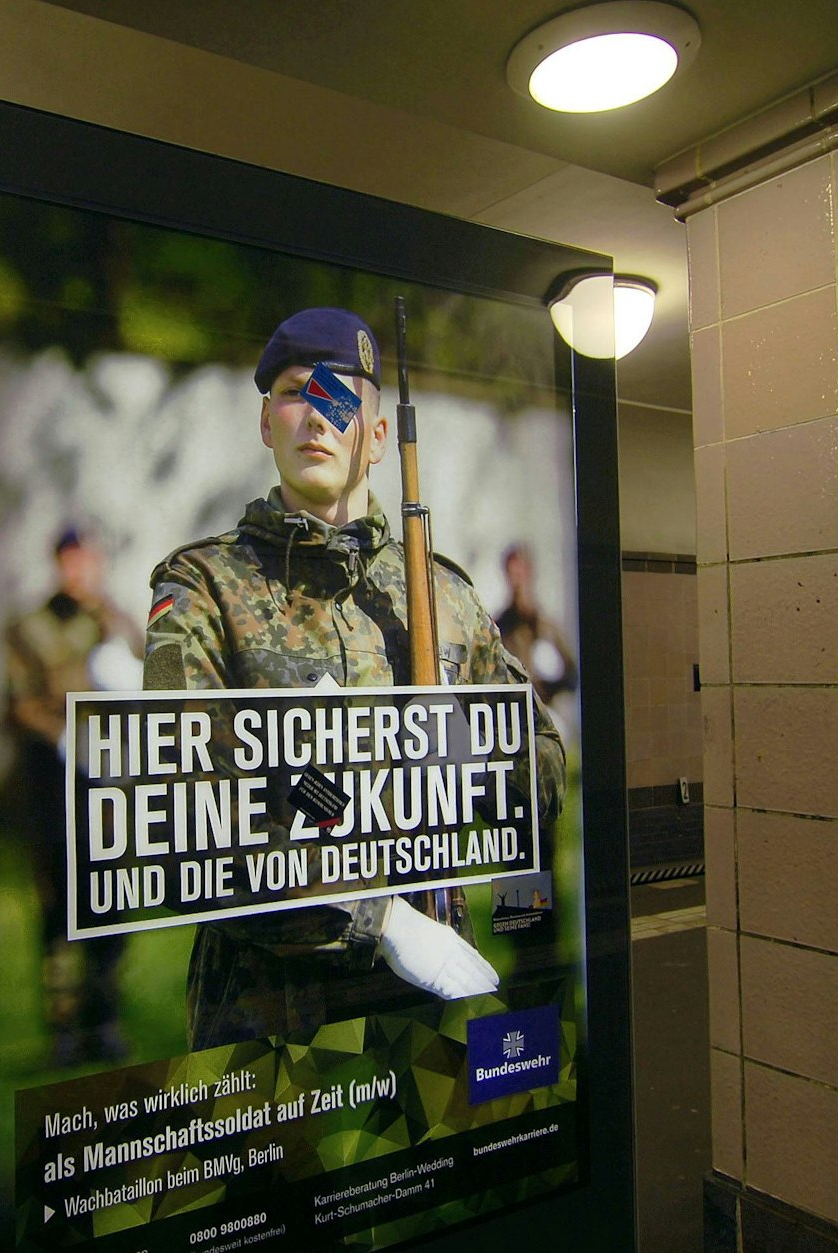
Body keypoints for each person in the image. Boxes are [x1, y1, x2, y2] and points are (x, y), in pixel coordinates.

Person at [143, 307, 566, 1050]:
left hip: (419, 1020)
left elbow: (546, 771)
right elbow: (191, 822)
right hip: (270, 1028)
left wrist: (470, 754)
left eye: (340, 399)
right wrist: (383, 921)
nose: (314, 414)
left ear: (375, 438)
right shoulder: (206, 588)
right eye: (295, 392)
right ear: (265, 422)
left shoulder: (446, 598)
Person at [3, 529, 142, 1065]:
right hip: (52, 787)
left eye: (88, 561)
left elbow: (150, 680)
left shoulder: (120, 622)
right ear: (58, 564)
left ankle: (104, 1019)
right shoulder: (29, 628)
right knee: (59, 904)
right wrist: (67, 738)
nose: (79, 572)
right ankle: (62, 1028)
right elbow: (18, 704)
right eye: (70, 562)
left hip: (109, 793)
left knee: (112, 898)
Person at [495, 542, 579, 709]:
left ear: (530, 574)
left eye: (521, 574)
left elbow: (572, 676)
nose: (518, 582)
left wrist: (548, 688)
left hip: (547, 712)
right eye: (513, 575)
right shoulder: (499, 628)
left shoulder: (547, 627)